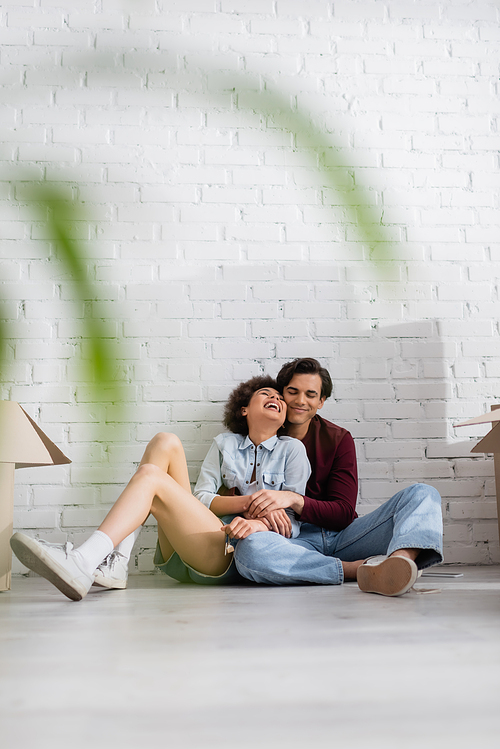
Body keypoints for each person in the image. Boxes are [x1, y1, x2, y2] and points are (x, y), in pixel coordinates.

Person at [9, 376, 311, 601]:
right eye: (266, 394)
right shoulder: (225, 444)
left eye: (280, 399)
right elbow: (202, 499)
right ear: (244, 410)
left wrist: (258, 514)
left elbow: (289, 521)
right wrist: (254, 502)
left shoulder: (293, 450)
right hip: (191, 545)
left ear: (284, 418)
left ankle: (85, 560)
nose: (276, 398)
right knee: (164, 442)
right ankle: (118, 563)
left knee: (152, 477)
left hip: (227, 554)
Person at [232, 358, 444, 597]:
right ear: (281, 394)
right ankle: (361, 570)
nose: (301, 401)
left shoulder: (338, 438)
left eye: (311, 395)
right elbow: (231, 498)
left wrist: (292, 499)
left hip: (346, 537)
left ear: (321, 402)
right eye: (292, 392)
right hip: (292, 544)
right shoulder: (254, 435)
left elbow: (343, 512)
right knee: (250, 552)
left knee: (423, 494)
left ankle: (399, 564)